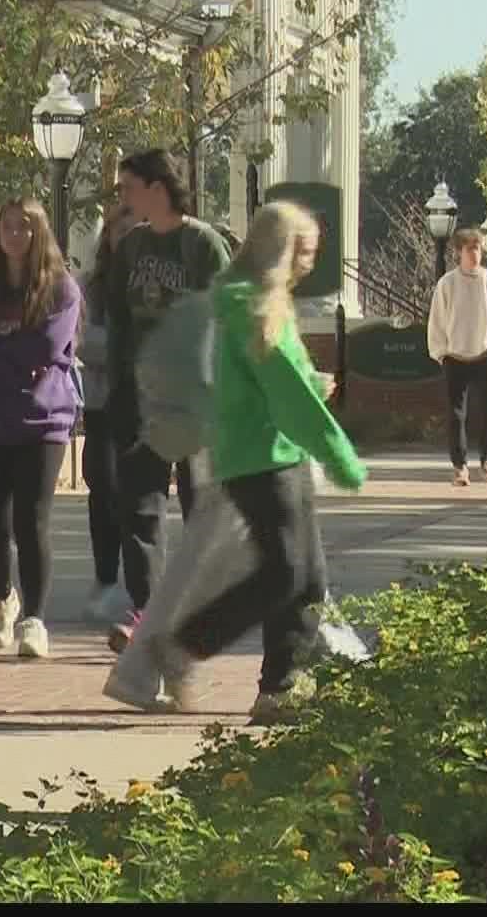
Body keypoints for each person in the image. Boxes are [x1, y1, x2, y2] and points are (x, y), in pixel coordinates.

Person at [141, 201, 366, 722]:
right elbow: (284, 388)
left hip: (266, 452)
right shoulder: (253, 307)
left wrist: (311, 388)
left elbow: (266, 383)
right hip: (262, 458)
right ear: (281, 250)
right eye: (305, 251)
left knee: (305, 577)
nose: (310, 263)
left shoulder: (246, 302)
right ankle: (187, 645)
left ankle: (280, 687)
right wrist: (340, 456)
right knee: (284, 574)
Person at [105, 149, 230, 650]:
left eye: (128, 186)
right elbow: (118, 321)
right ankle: (147, 613)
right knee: (139, 509)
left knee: (200, 506)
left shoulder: (202, 244)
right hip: (141, 398)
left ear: (157, 188)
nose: (123, 197)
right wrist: (119, 387)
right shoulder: (132, 247)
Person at [0, 196, 82, 660]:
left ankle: (35, 620)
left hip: (43, 421)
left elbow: (46, 347)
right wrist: (7, 363)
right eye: (7, 227)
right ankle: (3, 597)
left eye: (24, 227)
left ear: (39, 233)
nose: (15, 235)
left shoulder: (61, 289)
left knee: (32, 521)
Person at [79, 203, 137, 624]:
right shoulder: (91, 286)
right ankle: (104, 576)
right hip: (102, 402)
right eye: (121, 228)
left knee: (141, 494)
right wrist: (130, 348)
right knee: (103, 484)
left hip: (149, 404)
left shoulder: (157, 282)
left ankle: (140, 585)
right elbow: (81, 340)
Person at [426, 226, 487, 486]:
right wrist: (440, 352)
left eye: (478, 248)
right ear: (459, 252)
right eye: (470, 248)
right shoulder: (447, 284)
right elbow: (437, 320)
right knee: (456, 414)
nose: (476, 253)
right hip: (456, 355)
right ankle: (460, 466)